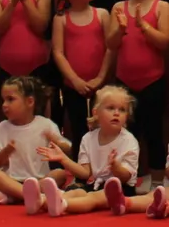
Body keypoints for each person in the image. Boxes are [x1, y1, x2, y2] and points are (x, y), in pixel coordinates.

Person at [34, 84, 143, 217]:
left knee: (94, 198)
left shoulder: (129, 141)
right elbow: (85, 173)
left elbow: (126, 177)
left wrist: (116, 167)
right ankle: (42, 201)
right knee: (77, 191)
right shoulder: (88, 138)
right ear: (96, 112)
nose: (116, 113)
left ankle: (62, 204)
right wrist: (64, 159)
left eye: (122, 110)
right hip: (97, 185)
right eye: (110, 108)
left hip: (120, 188)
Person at [113, 0, 169, 167]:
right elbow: (111, 45)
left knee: (154, 132)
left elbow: (164, 42)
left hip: (152, 80)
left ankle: (157, 179)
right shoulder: (119, 8)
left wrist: (144, 26)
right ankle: (128, 176)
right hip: (124, 81)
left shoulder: (162, 7)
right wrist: (121, 29)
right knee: (126, 133)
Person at [51, 0, 114, 146]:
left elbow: (110, 48)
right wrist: (75, 80)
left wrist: (101, 77)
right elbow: (58, 52)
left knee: (104, 127)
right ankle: (81, 170)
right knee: (78, 128)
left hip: (101, 84)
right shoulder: (61, 18)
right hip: (73, 85)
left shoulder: (102, 14)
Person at [0, 74, 67, 207]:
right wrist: (6, 151)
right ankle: (32, 196)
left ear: (30, 102)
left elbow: (67, 150)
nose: (4, 105)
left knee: (60, 174)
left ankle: (15, 196)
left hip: (39, 180)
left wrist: (57, 142)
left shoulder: (45, 124)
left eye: (10, 99)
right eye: (3, 100)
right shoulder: (3, 127)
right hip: (12, 180)